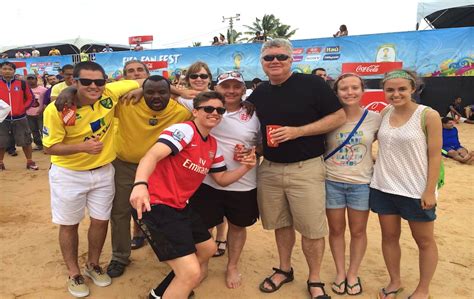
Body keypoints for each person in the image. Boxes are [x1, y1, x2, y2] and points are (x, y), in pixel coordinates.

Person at [129, 91, 257, 299]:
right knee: (190, 273)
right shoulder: (184, 131)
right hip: (155, 204)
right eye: (208, 108)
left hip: (179, 206)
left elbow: (222, 179)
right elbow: (151, 155)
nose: (215, 113)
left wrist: (246, 167)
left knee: (207, 249)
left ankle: (159, 293)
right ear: (195, 111)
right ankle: (179, 285)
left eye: (220, 110)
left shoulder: (212, 144)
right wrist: (140, 184)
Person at [246, 38, 346, 298]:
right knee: (281, 224)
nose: (275, 61)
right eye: (269, 58)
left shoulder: (312, 84)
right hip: (269, 168)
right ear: (262, 63)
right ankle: (284, 269)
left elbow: (339, 117)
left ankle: (314, 279)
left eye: (281, 57)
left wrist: (297, 132)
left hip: (306, 168)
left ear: (292, 60)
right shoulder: (259, 93)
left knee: (312, 229)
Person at [42, 61, 143, 297]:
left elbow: (142, 80)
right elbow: (49, 148)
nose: (94, 86)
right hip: (68, 174)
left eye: (99, 81)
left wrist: (139, 89)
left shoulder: (110, 92)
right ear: (74, 82)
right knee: (69, 224)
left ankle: (93, 264)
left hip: (103, 171)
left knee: (100, 221)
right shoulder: (57, 109)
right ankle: (74, 272)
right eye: (86, 81)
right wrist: (82, 147)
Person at [179, 71, 261, 289]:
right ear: (217, 88)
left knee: (237, 226)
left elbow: (264, 144)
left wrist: (252, 152)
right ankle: (203, 264)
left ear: (244, 90)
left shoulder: (255, 113)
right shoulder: (207, 107)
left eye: (236, 86)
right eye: (226, 86)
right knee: (204, 227)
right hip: (206, 182)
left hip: (244, 183)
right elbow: (167, 91)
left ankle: (232, 266)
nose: (231, 91)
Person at [106, 75, 192, 278]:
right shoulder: (127, 103)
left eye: (162, 92)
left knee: (165, 213)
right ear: (142, 92)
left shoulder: (181, 113)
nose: (156, 96)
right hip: (125, 166)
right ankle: (119, 256)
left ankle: (169, 256)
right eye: (150, 92)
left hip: (161, 169)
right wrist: (70, 90)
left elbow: (208, 104)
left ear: (169, 93)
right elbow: (100, 96)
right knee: (120, 212)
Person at [369, 69, 441, 299]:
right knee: (389, 238)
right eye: (390, 89)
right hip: (383, 187)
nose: (396, 94)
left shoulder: (428, 115)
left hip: (415, 190)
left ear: (413, 89)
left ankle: (423, 289)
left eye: (402, 89)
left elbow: (435, 156)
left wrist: (429, 191)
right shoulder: (385, 112)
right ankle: (395, 281)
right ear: (384, 91)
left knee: (424, 241)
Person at [324, 73, 381, 296]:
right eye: (344, 88)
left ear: (362, 90)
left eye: (354, 87)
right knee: (336, 230)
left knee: (358, 231)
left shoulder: (375, 118)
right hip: (332, 181)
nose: (350, 92)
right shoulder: (328, 118)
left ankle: (353, 273)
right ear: (336, 92)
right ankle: (340, 272)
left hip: (361, 183)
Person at [0, 61, 37, 171]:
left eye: (10, 69)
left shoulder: (22, 83)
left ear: (14, 71)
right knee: (1, 142)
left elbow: (31, 98)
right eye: (4, 68)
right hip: (2, 118)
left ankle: (30, 162)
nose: (7, 71)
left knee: (26, 140)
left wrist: (22, 108)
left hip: (20, 118)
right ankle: (0, 163)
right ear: (1, 70)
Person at [26, 74, 48, 151]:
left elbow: (46, 101)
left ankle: (46, 146)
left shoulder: (43, 90)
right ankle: (39, 145)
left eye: (32, 79)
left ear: (36, 80)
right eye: (29, 79)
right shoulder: (24, 89)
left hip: (41, 113)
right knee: (34, 131)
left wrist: (43, 109)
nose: (30, 80)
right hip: (29, 114)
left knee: (43, 130)